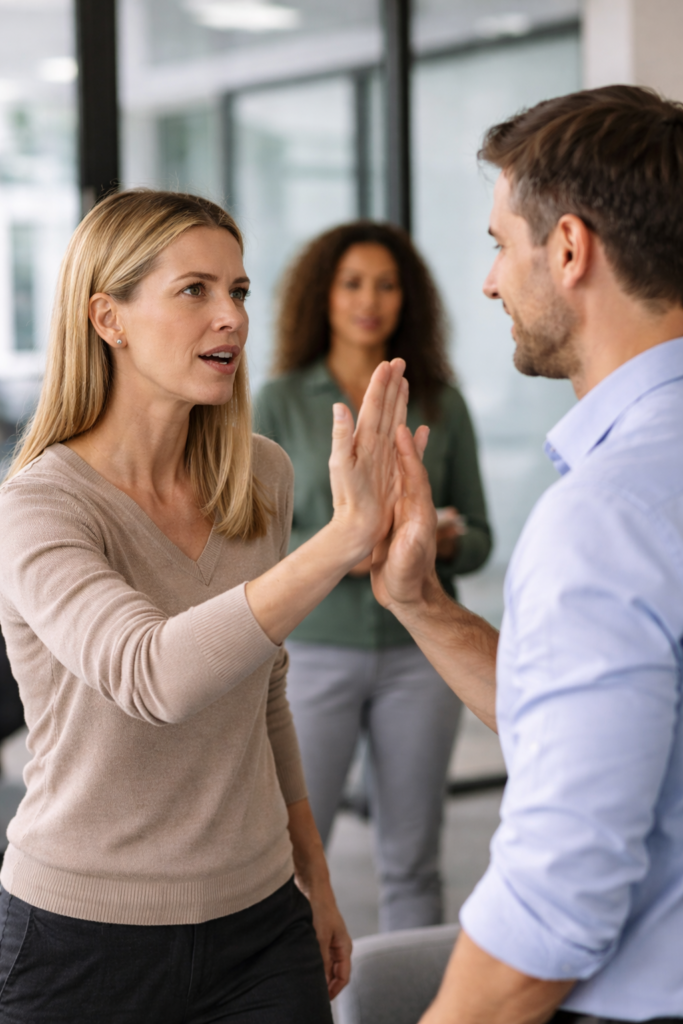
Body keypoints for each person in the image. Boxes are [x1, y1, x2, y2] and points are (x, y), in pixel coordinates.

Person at [0, 189, 410, 1024]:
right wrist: (338, 542)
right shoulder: (40, 506)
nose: (230, 317)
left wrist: (316, 883)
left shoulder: (258, 476)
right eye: (195, 291)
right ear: (107, 318)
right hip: (82, 939)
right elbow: (154, 675)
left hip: (259, 926)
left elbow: (260, 692)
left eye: (240, 291)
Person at [370, 86, 683, 1023]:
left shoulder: (606, 513)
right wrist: (420, 598)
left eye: (501, 243)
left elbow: (558, 899)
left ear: (570, 249)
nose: (490, 281)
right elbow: (602, 730)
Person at [255, 221, 491, 931]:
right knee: (296, 857)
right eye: (352, 282)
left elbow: (480, 537)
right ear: (321, 296)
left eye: (386, 284)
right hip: (314, 653)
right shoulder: (277, 401)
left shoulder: (441, 402)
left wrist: (440, 540)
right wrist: (338, 544)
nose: (370, 299)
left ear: (406, 299)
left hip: (419, 659)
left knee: (413, 860)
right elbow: (249, 536)